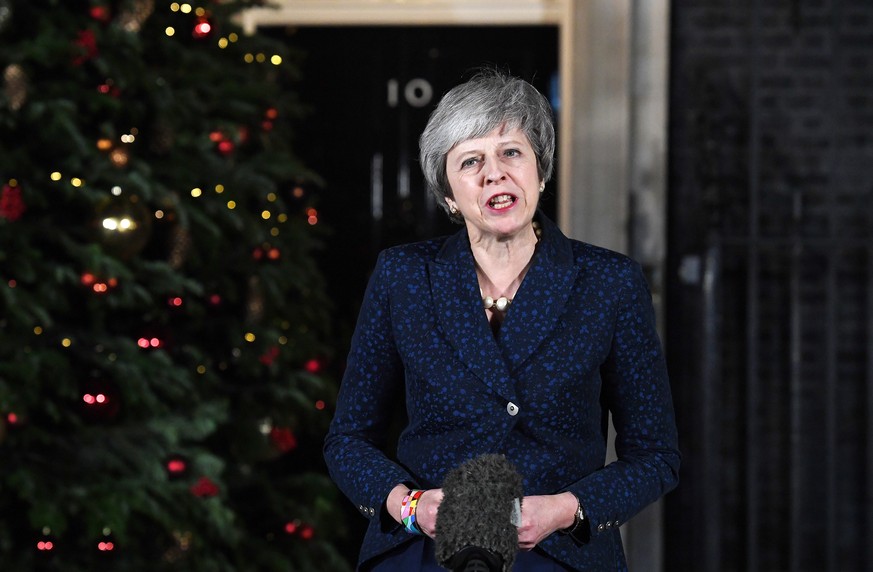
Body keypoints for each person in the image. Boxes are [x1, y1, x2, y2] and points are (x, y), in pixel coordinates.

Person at [323, 68, 680, 571]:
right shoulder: (403, 276)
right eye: (471, 161)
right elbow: (347, 441)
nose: (495, 173)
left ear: (540, 169)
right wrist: (409, 506)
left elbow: (656, 458)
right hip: (425, 552)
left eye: (511, 152)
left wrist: (566, 510)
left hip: (560, 553)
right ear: (449, 194)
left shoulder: (609, 282)